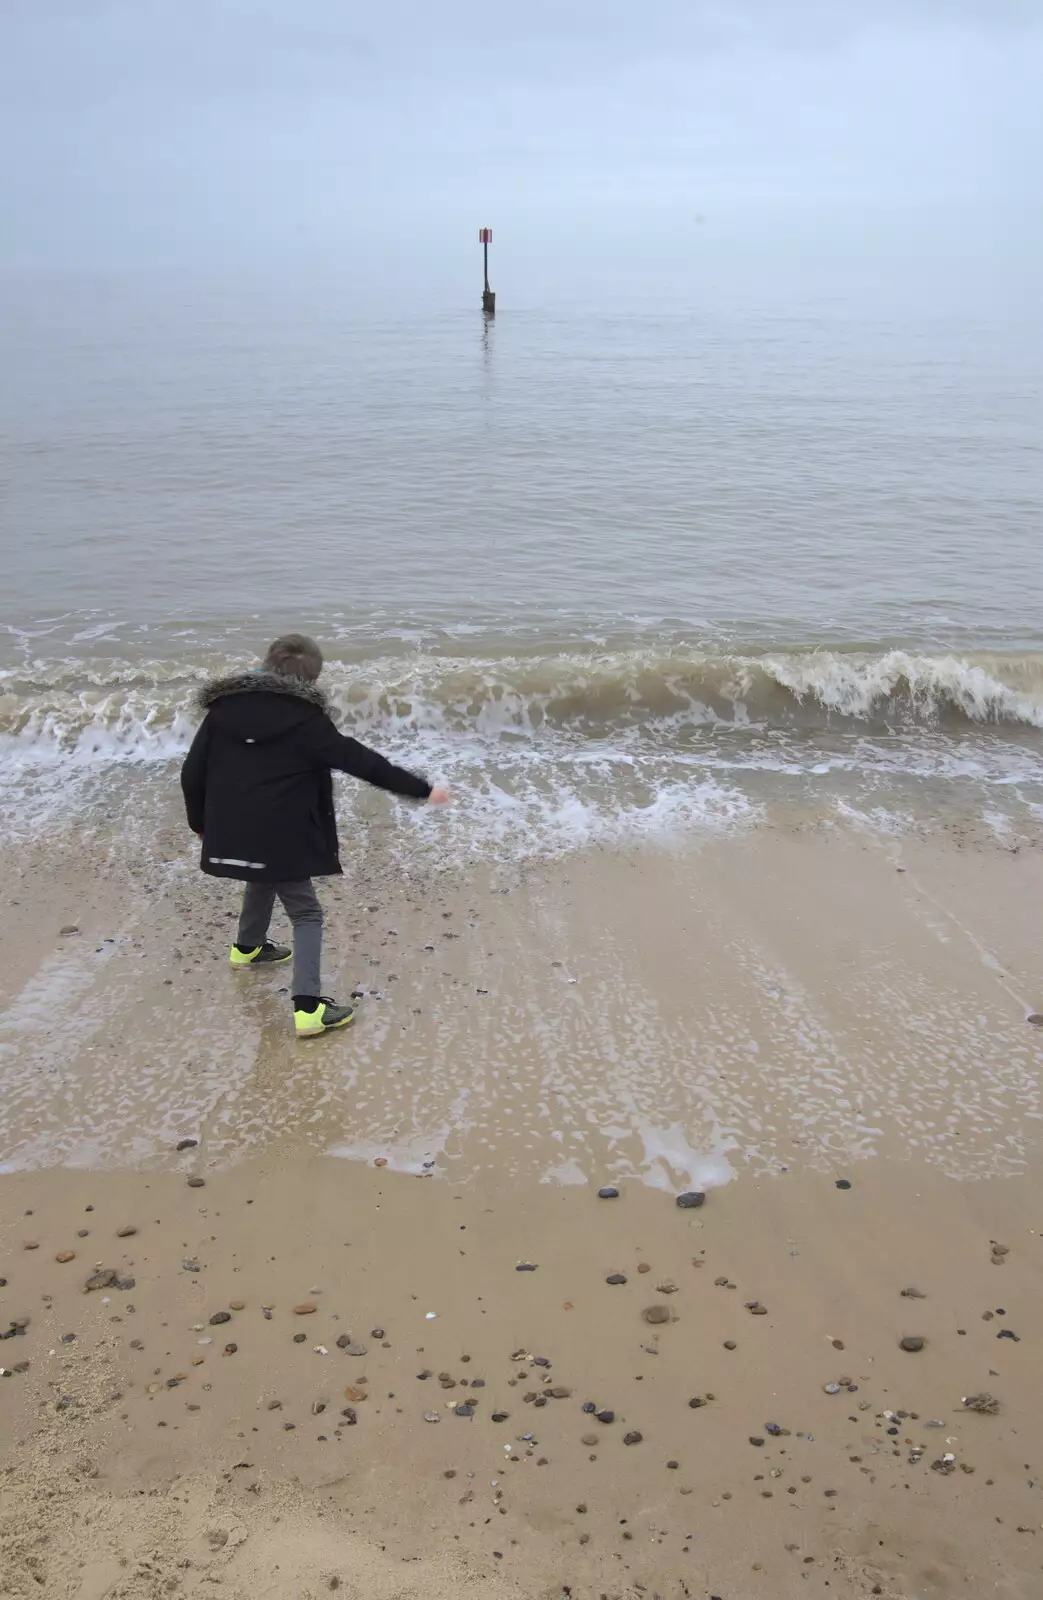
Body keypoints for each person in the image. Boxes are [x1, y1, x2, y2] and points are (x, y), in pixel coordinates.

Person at [180, 633, 448, 1037]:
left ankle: (248, 947)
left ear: (266, 666)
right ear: (312, 681)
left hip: (235, 827)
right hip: (284, 832)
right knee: (306, 912)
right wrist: (423, 790)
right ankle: (308, 1008)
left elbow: (192, 772)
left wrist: (199, 823)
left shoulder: (221, 712)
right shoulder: (306, 721)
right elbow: (363, 763)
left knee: (263, 872)